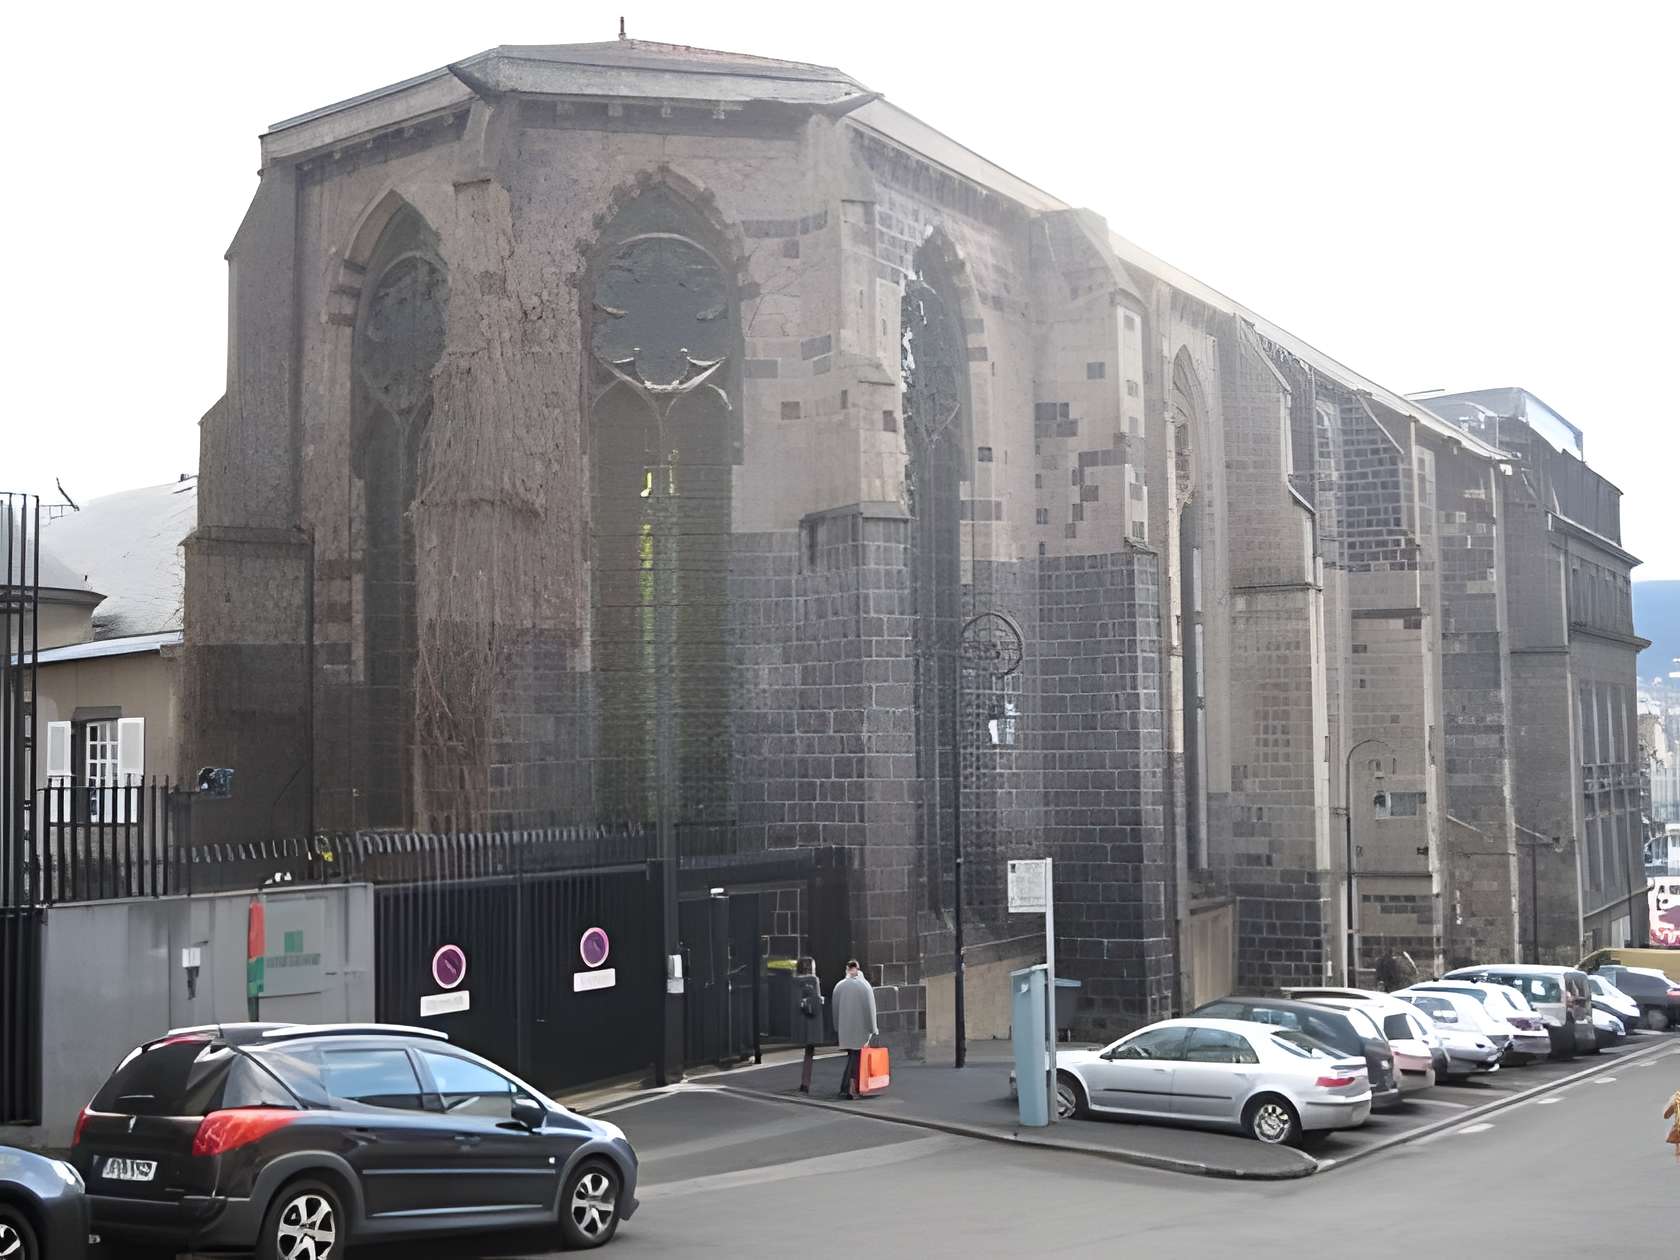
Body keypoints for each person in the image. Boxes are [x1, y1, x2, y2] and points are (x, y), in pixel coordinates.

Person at [830, 958, 878, 1100]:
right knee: (856, 1059)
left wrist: (837, 1027)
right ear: (858, 969)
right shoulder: (865, 986)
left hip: (845, 1029)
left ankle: (845, 1087)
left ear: (847, 969)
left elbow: (835, 1009)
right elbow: (870, 1009)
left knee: (852, 1057)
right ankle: (851, 1089)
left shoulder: (839, 986)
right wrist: (873, 1028)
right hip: (860, 1028)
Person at [1665, 1087, 1680, 1162]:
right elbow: (1668, 1114)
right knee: (1676, 1136)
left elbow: (1667, 1114)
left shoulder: (1675, 1104)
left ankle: (1677, 1150)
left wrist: (1667, 1115)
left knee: (1676, 1136)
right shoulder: (1675, 1104)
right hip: (1678, 1125)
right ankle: (1677, 1150)